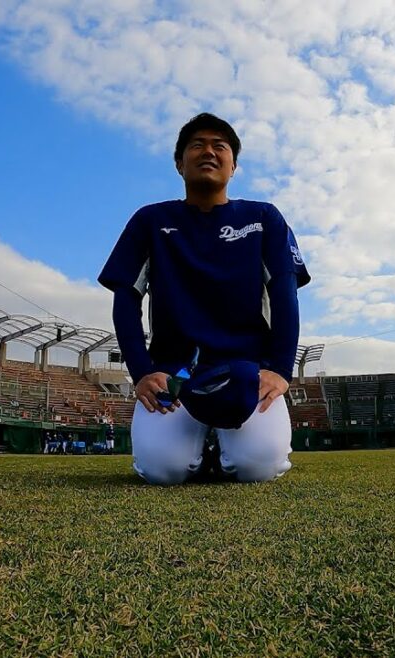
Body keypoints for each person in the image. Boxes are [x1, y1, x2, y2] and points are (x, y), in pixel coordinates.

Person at [98, 113, 310, 485]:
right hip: (176, 374)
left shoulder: (264, 217)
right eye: (197, 145)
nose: (208, 151)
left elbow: (284, 294)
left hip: (246, 371)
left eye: (219, 146)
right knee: (162, 469)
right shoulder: (150, 220)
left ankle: (223, 453)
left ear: (234, 165)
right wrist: (142, 372)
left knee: (258, 465)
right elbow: (126, 296)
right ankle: (199, 452)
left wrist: (280, 369)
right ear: (179, 163)